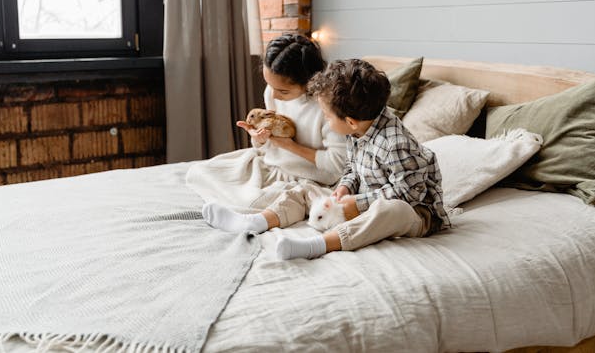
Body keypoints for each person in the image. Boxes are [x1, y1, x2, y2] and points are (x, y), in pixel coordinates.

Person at [202, 58, 451, 260]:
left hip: (415, 214)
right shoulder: (359, 128)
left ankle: (318, 245)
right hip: (362, 197)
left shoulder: (396, 144)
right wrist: (344, 187)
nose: (326, 121)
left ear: (350, 121)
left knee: (391, 211)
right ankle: (254, 222)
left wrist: (359, 203)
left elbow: (410, 194)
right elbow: (354, 167)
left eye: (327, 117)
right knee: (305, 190)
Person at [186, 34, 346, 211]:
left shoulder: (327, 108)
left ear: (309, 82)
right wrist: (260, 139)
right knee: (198, 172)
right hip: (271, 164)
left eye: (283, 91)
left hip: (307, 176)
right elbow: (266, 146)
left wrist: (290, 146)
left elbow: (338, 164)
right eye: (270, 85)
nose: (274, 96)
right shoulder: (271, 92)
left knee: (253, 202)